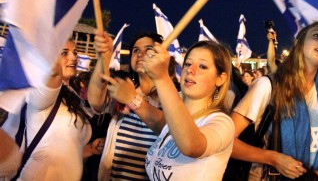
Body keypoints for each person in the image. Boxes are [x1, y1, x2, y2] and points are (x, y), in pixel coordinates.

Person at [229, 22, 318, 180]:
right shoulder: (268, 86)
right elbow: (225, 141)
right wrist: (273, 158)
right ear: (299, 44)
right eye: (316, 36)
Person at [2, 39, 99, 180]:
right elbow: (54, 74)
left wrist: (90, 149)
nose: (73, 57)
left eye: (75, 52)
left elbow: (62, 149)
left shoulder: (73, 95)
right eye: (64, 53)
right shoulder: (39, 91)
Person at [141, 40, 234, 180]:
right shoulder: (174, 112)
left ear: (220, 79)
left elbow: (191, 146)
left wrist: (162, 77)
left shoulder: (222, 123)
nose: (190, 70)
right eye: (188, 64)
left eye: (202, 66)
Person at [89, 32, 167, 180]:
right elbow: (96, 102)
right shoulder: (123, 87)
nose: (140, 54)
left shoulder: (170, 96)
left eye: (148, 49)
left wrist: (133, 99)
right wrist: (103, 59)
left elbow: (169, 130)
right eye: (136, 50)